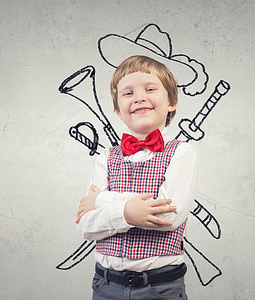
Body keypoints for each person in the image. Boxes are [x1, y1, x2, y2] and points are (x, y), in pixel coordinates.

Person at [75, 55, 198, 300]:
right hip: (105, 285)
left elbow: (168, 215)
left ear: (171, 101)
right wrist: (129, 211)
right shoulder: (106, 156)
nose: (139, 97)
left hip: (160, 287)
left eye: (150, 89)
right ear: (119, 111)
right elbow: (86, 226)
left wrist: (102, 202)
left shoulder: (183, 152)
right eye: (128, 93)